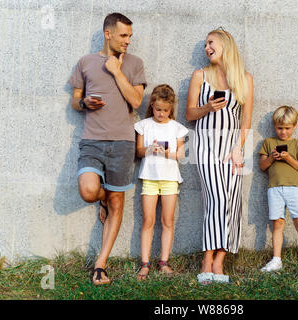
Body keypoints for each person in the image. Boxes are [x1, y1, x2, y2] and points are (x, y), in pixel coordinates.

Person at [68, 13, 147, 285]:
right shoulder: (86, 62)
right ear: (108, 33)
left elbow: (136, 101)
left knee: (117, 201)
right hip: (92, 140)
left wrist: (116, 70)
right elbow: (74, 101)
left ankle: (100, 265)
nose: (128, 41)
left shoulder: (134, 64)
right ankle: (102, 197)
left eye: (130, 36)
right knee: (89, 191)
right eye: (123, 35)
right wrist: (84, 103)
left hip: (123, 142)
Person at [186, 28, 253, 284]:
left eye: (210, 43)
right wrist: (207, 107)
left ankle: (219, 263)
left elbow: (245, 119)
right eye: (204, 44)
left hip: (233, 149)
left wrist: (239, 147)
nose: (206, 48)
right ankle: (206, 261)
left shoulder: (245, 79)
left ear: (225, 44)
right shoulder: (200, 75)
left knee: (232, 201)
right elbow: (190, 115)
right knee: (216, 198)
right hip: (205, 147)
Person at [134, 84, 188, 280]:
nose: (161, 113)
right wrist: (150, 149)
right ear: (152, 106)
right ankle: (145, 263)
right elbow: (138, 152)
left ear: (171, 109)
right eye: (158, 109)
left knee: (167, 221)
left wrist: (166, 152)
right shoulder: (144, 125)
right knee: (148, 221)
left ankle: (164, 261)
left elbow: (181, 155)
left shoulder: (176, 128)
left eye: (165, 110)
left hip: (170, 180)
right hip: (149, 178)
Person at [258, 106, 298, 274]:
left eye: (287, 128)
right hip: (275, 189)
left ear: (295, 126)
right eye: (279, 128)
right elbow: (262, 166)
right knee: (277, 223)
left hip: (294, 189)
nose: (283, 132)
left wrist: (288, 158)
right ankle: (276, 259)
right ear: (274, 126)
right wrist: (272, 157)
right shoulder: (269, 143)